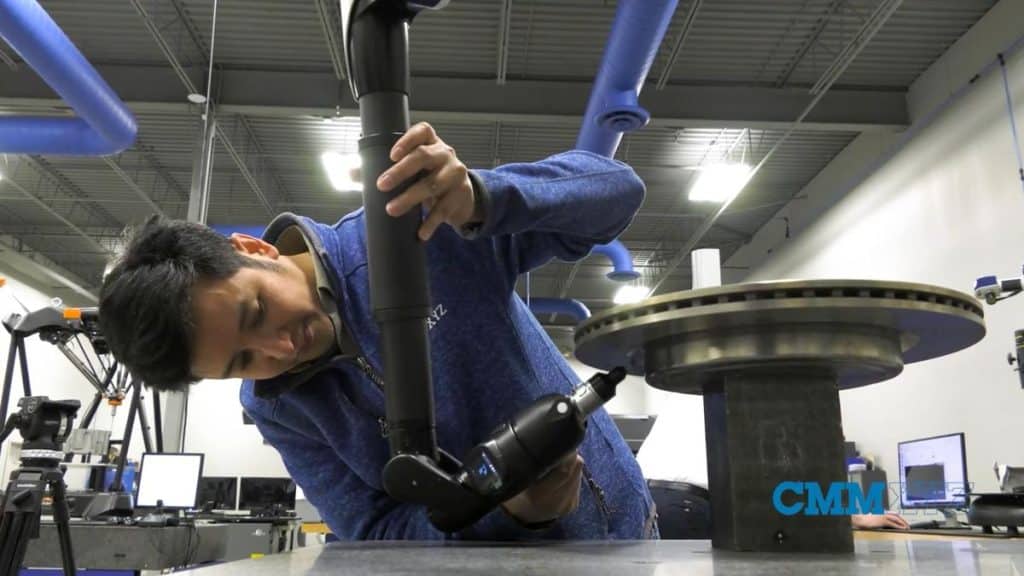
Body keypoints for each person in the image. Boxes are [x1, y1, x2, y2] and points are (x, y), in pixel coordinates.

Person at [98, 122, 656, 540]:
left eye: (256, 312)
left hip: (624, 532)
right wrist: (510, 516)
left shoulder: (413, 235)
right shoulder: (279, 407)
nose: (280, 348)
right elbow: (372, 531)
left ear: (253, 249)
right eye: (243, 362)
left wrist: (485, 198)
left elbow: (619, 193)